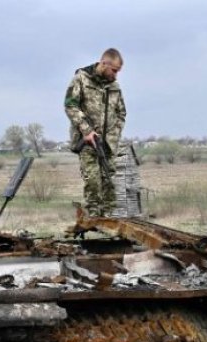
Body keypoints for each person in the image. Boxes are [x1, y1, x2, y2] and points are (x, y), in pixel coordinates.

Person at [64, 48, 127, 217]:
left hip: (107, 145)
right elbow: (70, 105)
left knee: (109, 182)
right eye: (114, 70)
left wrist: (114, 137)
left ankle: (109, 219)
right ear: (104, 63)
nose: (116, 75)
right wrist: (87, 131)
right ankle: (94, 217)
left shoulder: (114, 87)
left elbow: (121, 113)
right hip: (87, 143)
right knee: (92, 182)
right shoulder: (81, 79)